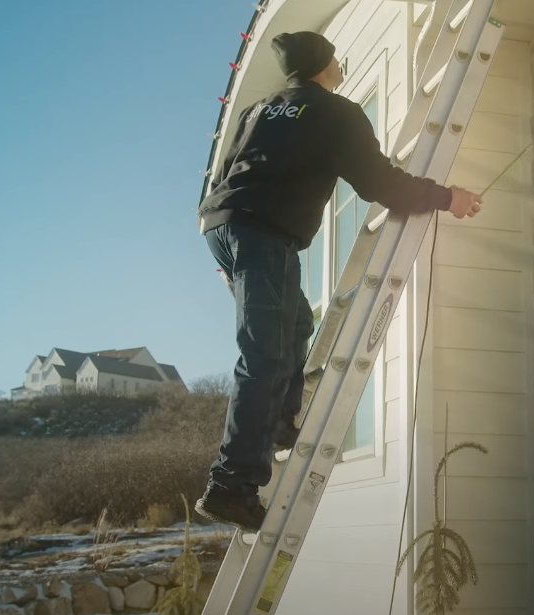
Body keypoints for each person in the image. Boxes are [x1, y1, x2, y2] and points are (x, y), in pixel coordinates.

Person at [194, 31, 483, 532]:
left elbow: (225, 178)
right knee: (263, 353)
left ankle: (280, 422)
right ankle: (230, 485)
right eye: (334, 57)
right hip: (263, 233)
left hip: (228, 227)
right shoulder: (335, 112)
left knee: (297, 324)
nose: (340, 63)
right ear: (323, 66)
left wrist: (229, 257)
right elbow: (379, 184)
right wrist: (446, 197)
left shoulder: (258, 110)